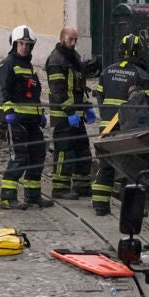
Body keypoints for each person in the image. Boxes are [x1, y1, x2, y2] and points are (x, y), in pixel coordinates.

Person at [92, 34, 149, 215]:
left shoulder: (107, 71)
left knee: (105, 165)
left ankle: (100, 205)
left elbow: (100, 97)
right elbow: (148, 105)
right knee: (131, 168)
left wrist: (107, 116)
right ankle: (133, 209)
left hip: (106, 126)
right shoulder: (142, 75)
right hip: (128, 129)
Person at [0, 25, 52, 209]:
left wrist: (40, 114)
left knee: (37, 156)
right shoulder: (7, 64)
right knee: (19, 157)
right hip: (16, 120)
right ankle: (7, 198)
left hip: (32, 121)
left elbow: (33, 94)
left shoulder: (28, 66)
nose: (24, 47)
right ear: (14, 44)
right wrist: (8, 112)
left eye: (28, 44)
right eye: (21, 43)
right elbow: (1, 90)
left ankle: (32, 196)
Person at [46, 27, 96, 200]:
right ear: (62, 38)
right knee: (64, 151)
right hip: (63, 116)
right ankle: (60, 188)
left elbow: (79, 87)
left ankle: (82, 185)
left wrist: (86, 106)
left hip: (76, 115)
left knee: (82, 150)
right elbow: (58, 91)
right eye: (70, 39)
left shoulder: (73, 58)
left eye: (75, 40)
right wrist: (69, 111)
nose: (74, 43)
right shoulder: (56, 60)